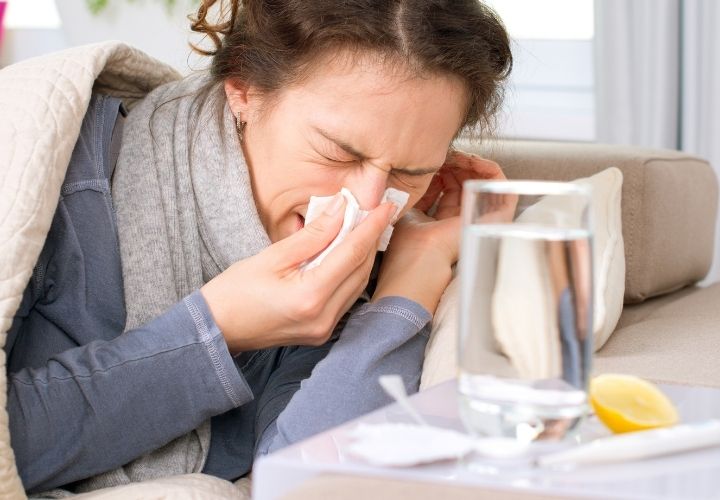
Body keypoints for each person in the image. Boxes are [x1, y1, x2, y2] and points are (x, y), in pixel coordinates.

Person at [6, 0, 512, 494]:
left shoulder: (360, 265)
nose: (369, 203)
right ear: (243, 89)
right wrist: (216, 331)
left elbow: (306, 483)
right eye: (338, 151)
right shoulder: (61, 185)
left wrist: (411, 281)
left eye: (411, 173)